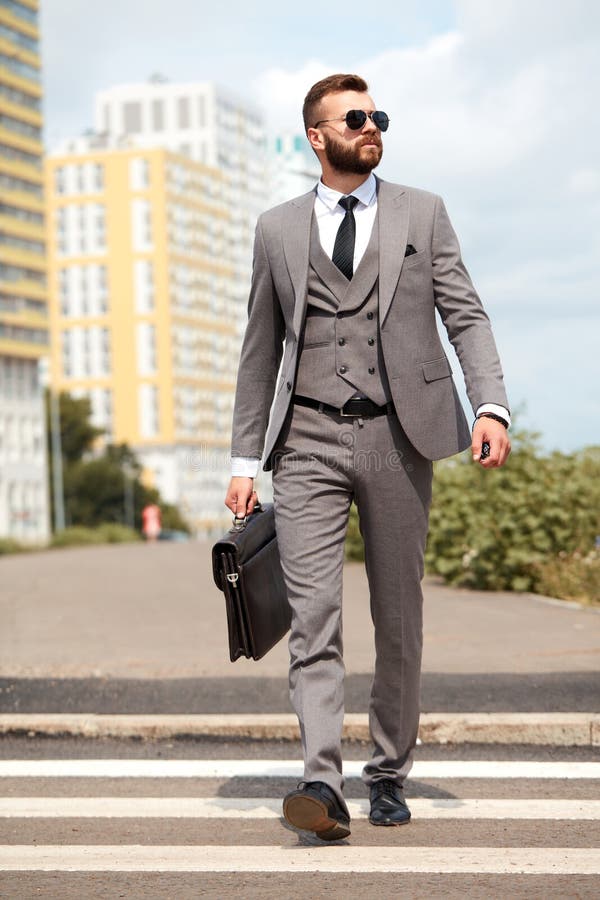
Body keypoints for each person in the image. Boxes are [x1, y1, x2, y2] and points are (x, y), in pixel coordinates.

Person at [225, 73, 510, 841]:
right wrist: (244, 460)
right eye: (354, 118)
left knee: (399, 616)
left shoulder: (423, 211)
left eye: (376, 114)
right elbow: (260, 351)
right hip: (308, 440)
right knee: (314, 619)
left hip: (398, 435)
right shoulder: (276, 229)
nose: (370, 125)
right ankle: (322, 783)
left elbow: (466, 315)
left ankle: (387, 772)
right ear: (316, 136)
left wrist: (489, 403)